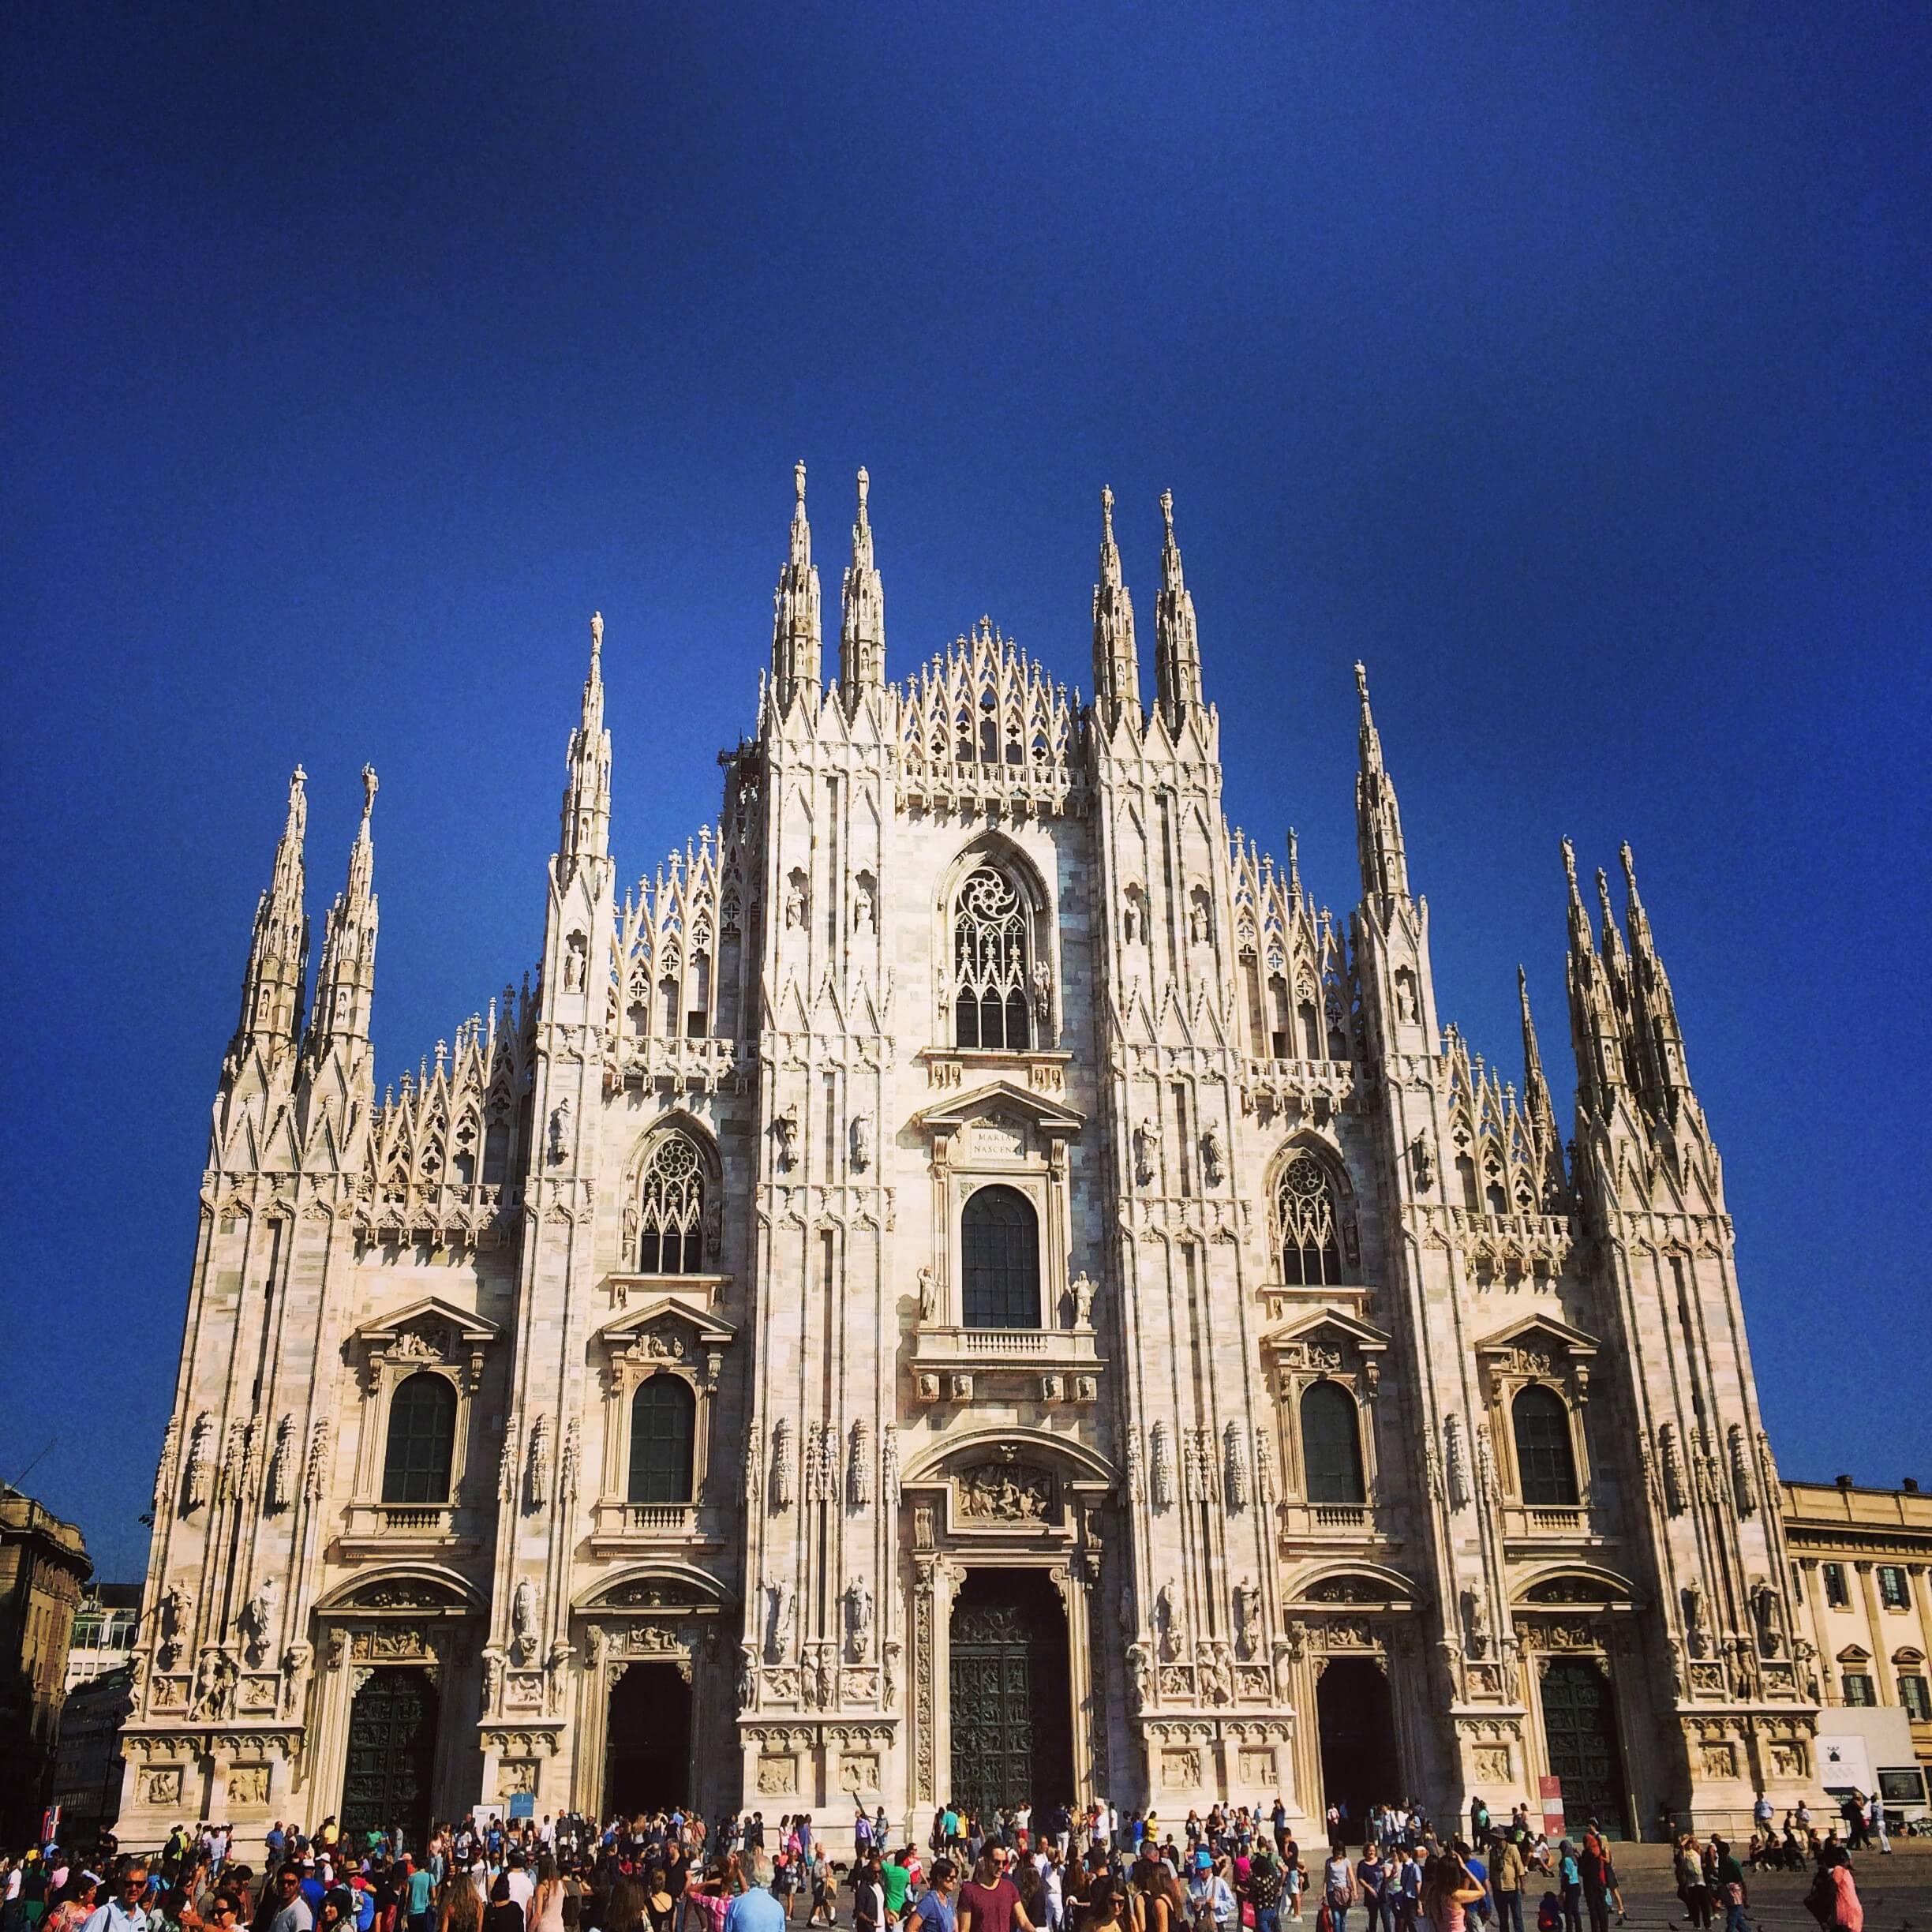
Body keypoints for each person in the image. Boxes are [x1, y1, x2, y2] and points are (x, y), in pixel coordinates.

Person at [1803, 1846, 1860, 1932]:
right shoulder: (1846, 1873)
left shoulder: (1838, 1872)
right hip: (1853, 1915)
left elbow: (1829, 1891)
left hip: (1843, 1916)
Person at [1488, 1835, 1524, 1932]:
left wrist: (1522, 1885)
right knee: (1503, 1918)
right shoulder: (1493, 1852)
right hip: (1499, 1889)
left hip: (1512, 1888)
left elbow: (1519, 1867)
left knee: (1517, 1917)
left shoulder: (1512, 1849)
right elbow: (1491, 1869)